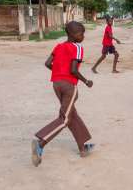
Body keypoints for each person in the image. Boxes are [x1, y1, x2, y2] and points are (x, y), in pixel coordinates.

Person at [32, 21, 95, 167]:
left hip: (57, 84)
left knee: (71, 114)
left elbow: (48, 64)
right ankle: (40, 143)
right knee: (65, 118)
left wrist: (59, 73)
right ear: (74, 35)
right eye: (82, 33)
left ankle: (83, 147)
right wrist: (86, 81)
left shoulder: (59, 46)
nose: (83, 36)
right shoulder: (77, 48)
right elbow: (73, 70)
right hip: (69, 87)